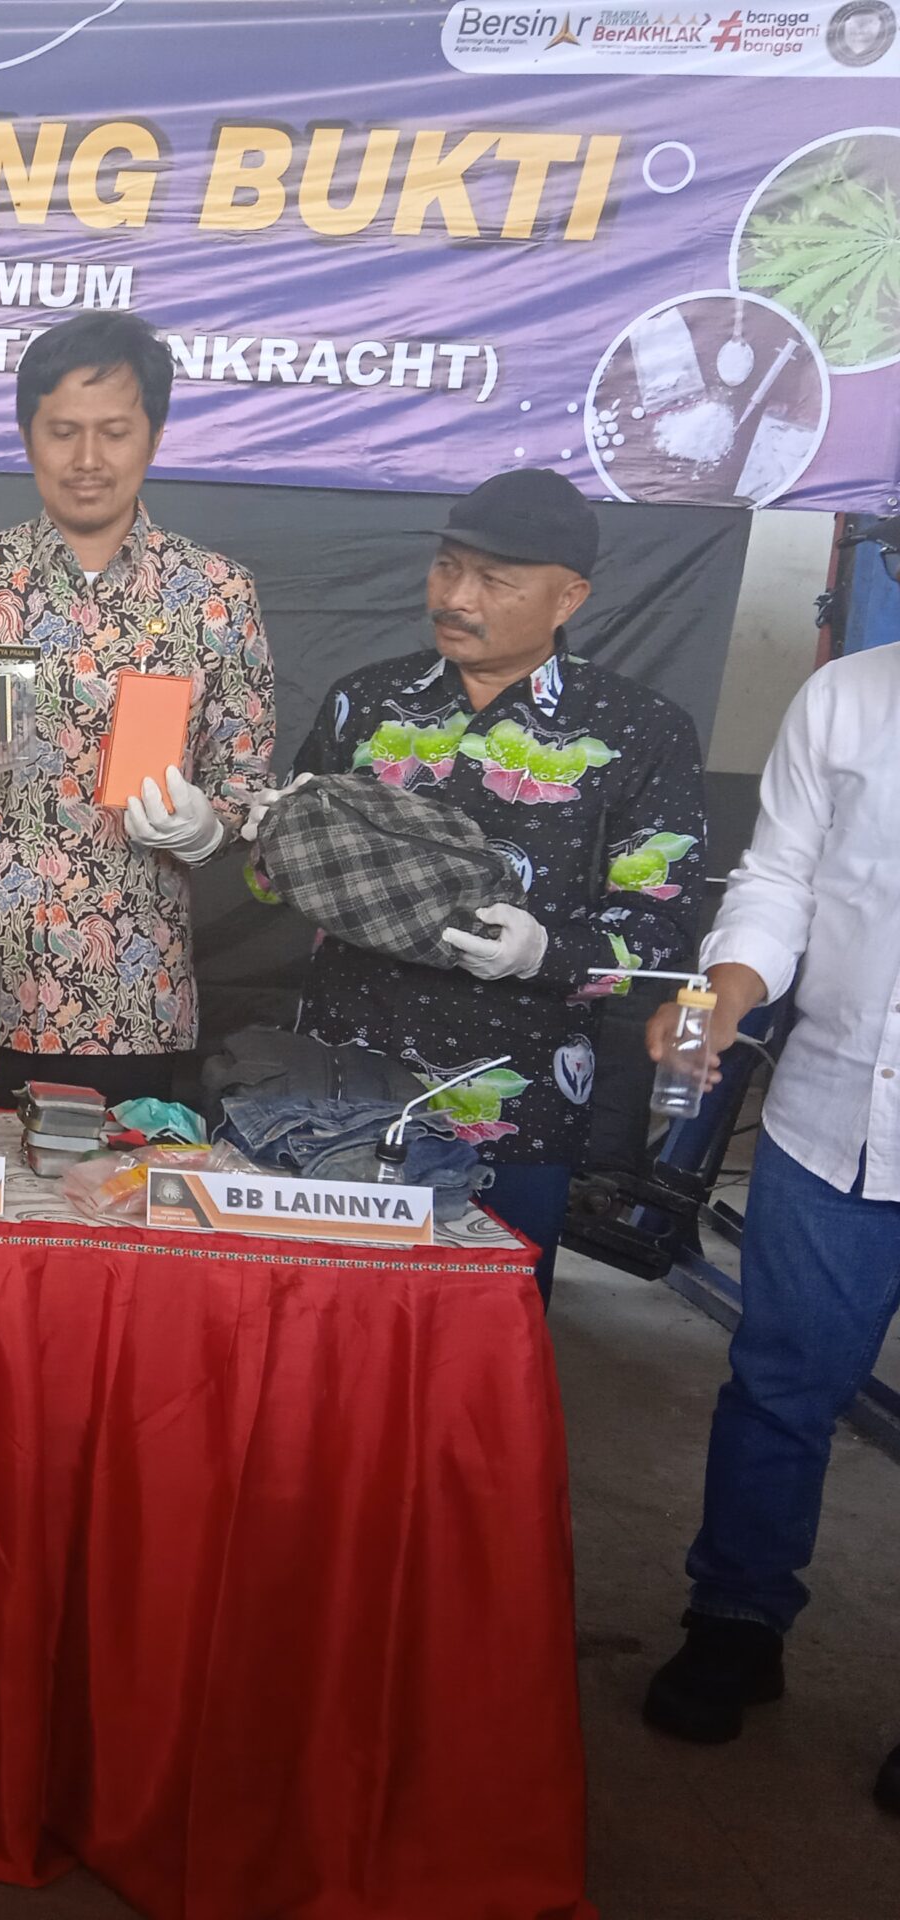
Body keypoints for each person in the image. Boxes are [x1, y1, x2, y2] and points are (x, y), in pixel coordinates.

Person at [249, 468, 707, 1297]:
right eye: (447, 568)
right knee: (319, 1314)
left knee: (485, 1331)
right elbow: (276, 878)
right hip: (339, 1086)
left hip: (513, 1102)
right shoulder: (367, 702)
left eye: (494, 580)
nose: (456, 597)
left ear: (569, 598)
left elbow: (662, 932)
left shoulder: (639, 732)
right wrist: (251, 838)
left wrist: (547, 953)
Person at [0, 312, 274, 1105]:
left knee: (101, 1183)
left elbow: (244, 784)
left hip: (124, 992)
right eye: (62, 431)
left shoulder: (217, 596)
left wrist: (209, 828)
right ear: (28, 437)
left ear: (154, 437)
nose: (87, 459)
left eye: (114, 432)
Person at [637, 640, 899, 1818]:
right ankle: (736, 1619)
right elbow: (781, 874)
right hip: (831, 1113)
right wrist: (728, 990)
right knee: (781, 1382)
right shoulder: (847, 696)